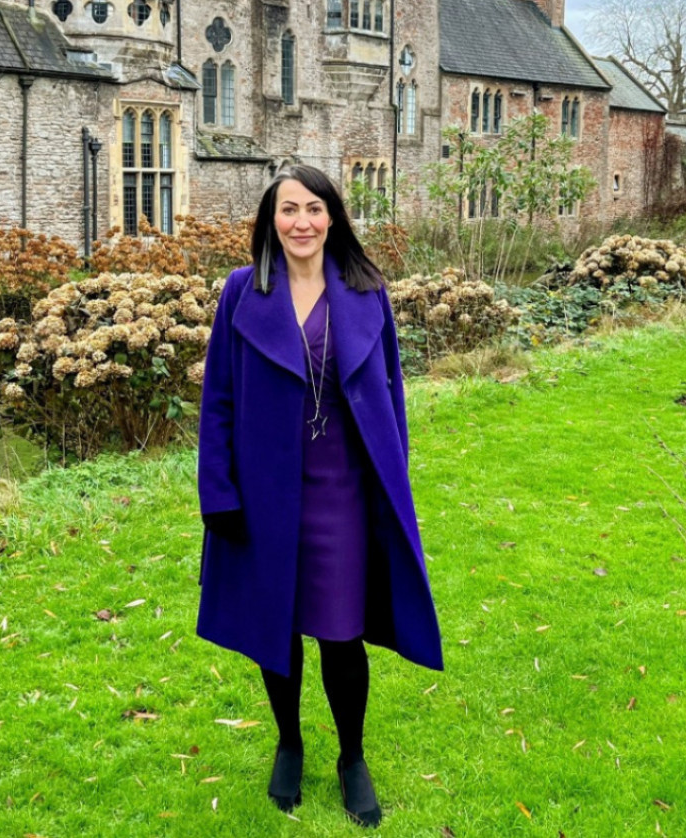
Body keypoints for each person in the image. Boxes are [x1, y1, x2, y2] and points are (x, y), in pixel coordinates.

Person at [196, 165, 442, 828]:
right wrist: (217, 490)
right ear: (270, 221)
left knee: (341, 633)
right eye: (287, 210)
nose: (301, 222)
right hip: (266, 490)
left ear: (332, 217)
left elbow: (392, 397)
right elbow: (218, 397)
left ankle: (352, 757)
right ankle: (289, 742)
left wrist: (396, 480)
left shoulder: (367, 292)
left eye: (313, 208)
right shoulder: (242, 292)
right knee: (275, 623)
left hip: (345, 493)